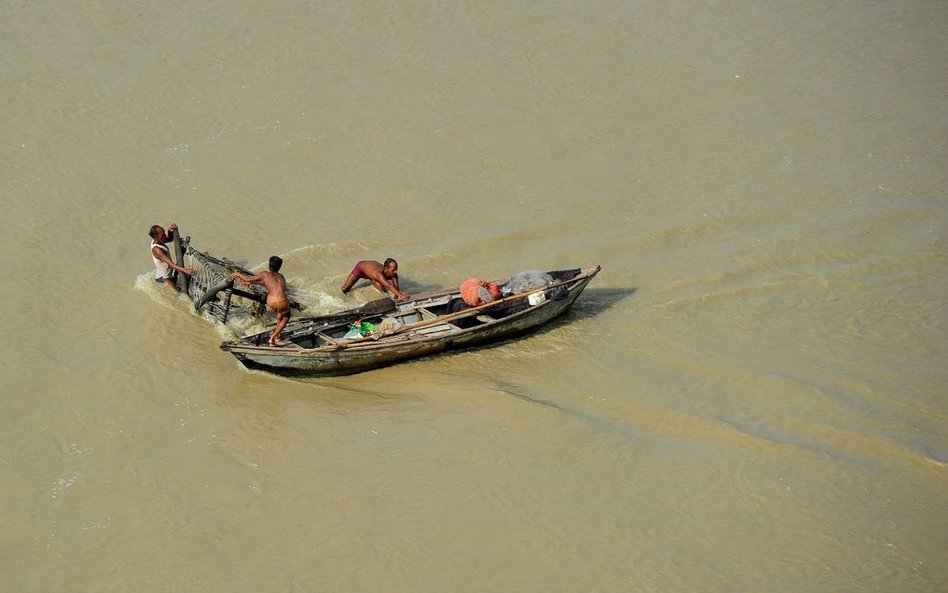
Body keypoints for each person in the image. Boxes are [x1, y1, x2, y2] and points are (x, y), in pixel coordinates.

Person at [232, 256, 291, 347]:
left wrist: (239, 275)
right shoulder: (281, 277)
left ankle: (278, 336)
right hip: (282, 300)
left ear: (269, 265)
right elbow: (274, 286)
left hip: (271, 301)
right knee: (287, 315)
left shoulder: (265, 274)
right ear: (280, 267)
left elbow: (250, 279)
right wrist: (241, 276)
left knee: (280, 314)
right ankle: (273, 338)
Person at [149, 223, 195, 291]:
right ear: (156, 236)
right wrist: (186, 270)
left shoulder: (157, 241)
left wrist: (169, 231)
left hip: (167, 273)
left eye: (164, 232)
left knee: (188, 279)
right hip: (164, 278)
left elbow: (169, 239)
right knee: (179, 295)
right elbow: (171, 264)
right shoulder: (157, 250)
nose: (165, 235)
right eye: (163, 234)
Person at [341, 258, 409, 300]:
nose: (395, 272)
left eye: (396, 269)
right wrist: (402, 295)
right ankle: (343, 298)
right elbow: (389, 285)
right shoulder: (378, 274)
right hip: (361, 268)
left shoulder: (394, 274)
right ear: (386, 269)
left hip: (371, 272)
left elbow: (396, 289)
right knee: (345, 289)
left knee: (383, 292)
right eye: (393, 270)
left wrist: (397, 299)